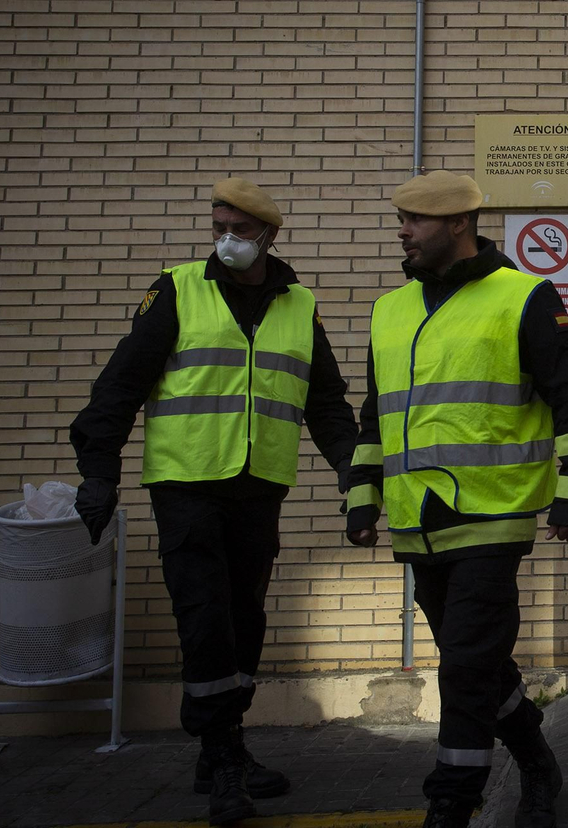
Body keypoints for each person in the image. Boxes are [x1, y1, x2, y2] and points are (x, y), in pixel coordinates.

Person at [70, 177, 358, 826]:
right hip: (187, 482)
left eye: (239, 228)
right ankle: (225, 760)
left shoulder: (298, 303)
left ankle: (219, 745)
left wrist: (352, 466)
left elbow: (326, 401)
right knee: (206, 618)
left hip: (259, 485)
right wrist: (98, 471)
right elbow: (119, 385)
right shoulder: (177, 290)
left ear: (268, 237)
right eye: (218, 226)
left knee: (244, 617)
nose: (226, 238)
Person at [343, 170, 568, 828]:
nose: (402, 231)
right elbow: (376, 415)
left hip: (493, 514)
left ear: (458, 224)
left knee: (463, 667)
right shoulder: (390, 309)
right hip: (417, 519)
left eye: (414, 220)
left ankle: (451, 804)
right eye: (400, 219)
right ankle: (538, 761)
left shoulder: (522, 297)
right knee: (480, 665)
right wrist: (360, 495)